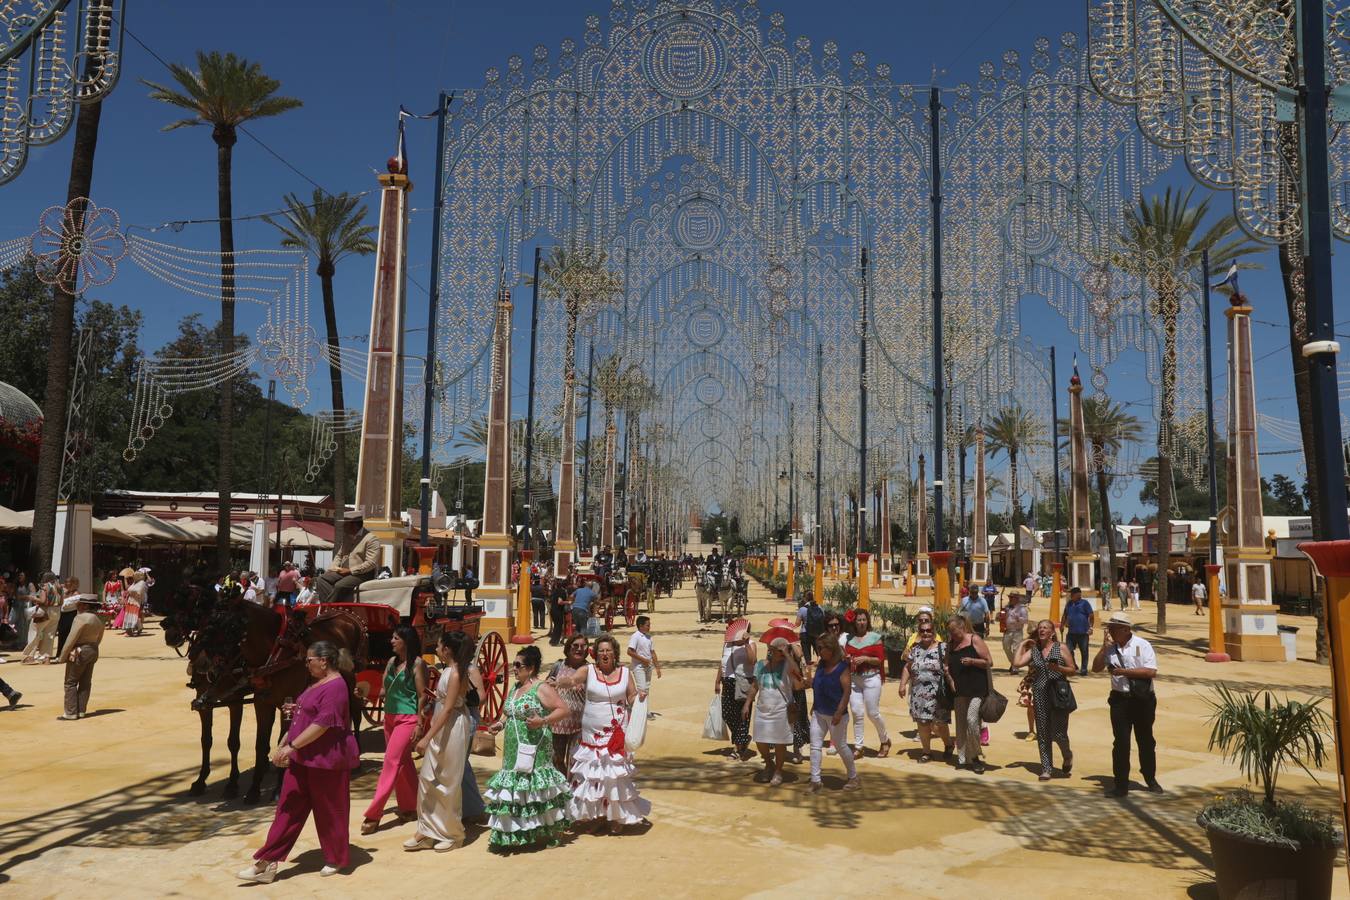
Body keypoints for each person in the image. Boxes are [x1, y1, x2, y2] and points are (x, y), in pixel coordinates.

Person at [238, 641, 356, 882]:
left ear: (324, 661)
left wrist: (291, 747)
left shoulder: (336, 686)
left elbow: (322, 724)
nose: (307, 664)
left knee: (330, 811)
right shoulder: (318, 682)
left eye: (309, 660)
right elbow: (310, 714)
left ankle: (335, 857)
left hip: (326, 760)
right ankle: (267, 862)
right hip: (303, 758)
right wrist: (293, 720)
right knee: (287, 809)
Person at [483, 645, 571, 851]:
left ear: (530, 668)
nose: (514, 669)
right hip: (513, 749)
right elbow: (509, 714)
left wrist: (543, 720)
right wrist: (500, 724)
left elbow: (563, 709)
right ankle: (516, 832)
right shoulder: (515, 688)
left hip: (535, 747)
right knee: (516, 790)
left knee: (537, 790)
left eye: (518, 665)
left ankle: (551, 830)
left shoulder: (540, 688)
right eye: (514, 665)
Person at [561, 633, 651, 832]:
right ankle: (593, 816)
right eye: (601, 650)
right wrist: (558, 683)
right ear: (595, 654)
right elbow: (572, 680)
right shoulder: (588, 670)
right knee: (592, 776)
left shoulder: (625, 673)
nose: (604, 653)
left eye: (608, 650)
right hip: (591, 733)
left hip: (616, 731)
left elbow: (631, 696)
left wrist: (640, 697)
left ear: (615, 653)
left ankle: (614, 817)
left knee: (612, 776)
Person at [405, 630, 474, 852]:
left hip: (452, 727)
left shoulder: (455, 673)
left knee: (447, 781)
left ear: (447, 649)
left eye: (439, 645)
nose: (436, 648)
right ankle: (426, 830)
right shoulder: (448, 671)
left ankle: (453, 834)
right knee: (427, 778)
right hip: (441, 723)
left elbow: (447, 711)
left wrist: (426, 737)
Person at [362, 626, 428, 834]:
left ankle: (374, 813)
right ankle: (413, 806)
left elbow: (423, 695)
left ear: (406, 641)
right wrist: (363, 690)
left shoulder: (418, 664)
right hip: (389, 718)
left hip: (408, 719)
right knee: (403, 763)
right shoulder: (391, 663)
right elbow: (383, 690)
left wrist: (419, 724)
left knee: (391, 761)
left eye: (396, 638)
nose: (391, 641)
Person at [1091, 612, 1161, 796]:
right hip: (1119, 700)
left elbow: (1150, 671)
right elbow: (1096, 668)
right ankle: (1120, 784)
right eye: (1109, 628)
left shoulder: (1142, 645)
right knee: (1121, 743)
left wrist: (1124, 672)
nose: (1110, 632)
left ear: (1125, 629)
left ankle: (1150, 778)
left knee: (1145, 740)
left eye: (1113, 628)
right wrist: (1103, 649)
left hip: (1142, 700)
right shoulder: (1110, 648)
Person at [1014, 619, 1076, 781]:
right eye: (1040, 628)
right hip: (1040, 693)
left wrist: (1059, 668)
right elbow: (1017, 663)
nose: (1042, 630)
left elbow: (1072, 670)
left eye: (1046, 628)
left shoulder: (1060, 647)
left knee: (1059, 733)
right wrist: (1022, 644)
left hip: (1058, 693)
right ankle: (1046, 768)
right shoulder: (1034, 650)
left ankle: (1067, 755)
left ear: (1052, 632)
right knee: (1043, 732)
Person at [744, 636, 803, 786]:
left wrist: (788, 654)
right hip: (763, 709)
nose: (780, 653)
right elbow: (755, 686)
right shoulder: (761, 665)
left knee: (779, 743)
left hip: (781, 710)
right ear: (770, 650)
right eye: (778, 650)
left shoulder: (788, 665)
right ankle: (769, 764)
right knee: (760, 740)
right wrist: (747, 703)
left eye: (783, 650)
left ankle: (778, 770)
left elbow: (797, 672)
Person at [808, 632, 859, 792]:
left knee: (841, 746)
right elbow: (816, 685)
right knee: (815, 746)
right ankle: (815, 780)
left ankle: (853, 777)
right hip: (819, 711)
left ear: (830, 648)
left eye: (821, 648)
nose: (819, 651)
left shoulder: (842, 668)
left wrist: (839, 712)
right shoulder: (822, 665)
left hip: (836, 714)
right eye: (818, 648)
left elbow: (846, 692)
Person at [898, 618, 953, 763]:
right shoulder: (914, 650)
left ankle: (948, 744)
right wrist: (902, 684)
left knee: (939, 724)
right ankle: (926, 752)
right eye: (922, 631)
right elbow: (907, 667)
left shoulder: (943, 648)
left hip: (938, 694)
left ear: (934, 632)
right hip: (919, 693)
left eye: (929, 630)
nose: (926, 633)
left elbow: (950, 666)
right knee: (922, 724)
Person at [944, 615, 992, 773]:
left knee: (972, 721)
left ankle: (976, 756)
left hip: (977, 689)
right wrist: (950, 680)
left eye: (954, 631)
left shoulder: (974, 639)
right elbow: (946, 667)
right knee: (961, 725)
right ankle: (963, 757)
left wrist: (972, 661)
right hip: (959, 690)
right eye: (950, 632)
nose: (952, 634)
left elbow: (989, 662)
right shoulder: (950, 645)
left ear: (962, 627)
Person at [844, 608, 890, 757]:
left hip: (871, 678)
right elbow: (846, 656)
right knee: (857, 712)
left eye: (864, 620)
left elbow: (880, 660)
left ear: (868, 621)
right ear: (854, 622)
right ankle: (858, 746)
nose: (862, 623)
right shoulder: (849, 639)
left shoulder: (875, 637)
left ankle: (884, 740)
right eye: (859, 620)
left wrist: (866, 659)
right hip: (854, 679)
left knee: (872, 713)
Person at [55, 596, 105, 720]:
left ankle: (71, 712)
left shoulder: (81, 618)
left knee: (70, 682)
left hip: (80, 651)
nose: (78, 606)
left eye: (80, 604)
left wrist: (62, 656)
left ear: (86, 606)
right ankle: (81, 710)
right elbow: (99, 639)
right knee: (85, 682)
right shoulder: (98, 619)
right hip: (93, 649)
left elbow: (71, 638)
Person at [546, 633, 589, 774]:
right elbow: (546, 687)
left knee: (575, 761)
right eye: (575, 646)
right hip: (557, 724)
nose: (579, 649)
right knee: (556, 759)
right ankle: (563, 787)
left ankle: (572, 791)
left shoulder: (590, 670)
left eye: (583, 646)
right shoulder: (558, 666)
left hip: (580, 725)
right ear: (568, 648)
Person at [314, 515, 381, 603]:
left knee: (339, 585)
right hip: (344, 572)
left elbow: (371, 563)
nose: (343, 527)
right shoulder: (347, 537)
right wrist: (333, 567)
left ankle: (329, 607)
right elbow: (339, 555)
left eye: (345, 524)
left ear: (353, 525)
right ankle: (332, 606)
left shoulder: (371, 539)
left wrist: (350, 570)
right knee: (321, 579)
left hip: (362, 574)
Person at [715, 628, 756, 758]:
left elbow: (752, 661)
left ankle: (738, 748)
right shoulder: (727, 644)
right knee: (727, 714)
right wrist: (717, 681)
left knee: (742, 715)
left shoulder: (751, 643)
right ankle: (742, 739)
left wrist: (746, 643)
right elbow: (722, 663)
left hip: (742, 683)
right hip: (727, 682)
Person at [22, 572, 60, 664]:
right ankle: (46, 657)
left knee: (35, 633)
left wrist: (32, 598)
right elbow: (61, 601)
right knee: (49, 635)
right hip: (56, 611)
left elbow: (43, 600)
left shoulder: (45, 587)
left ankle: (30, 656)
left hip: (44, 612)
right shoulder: (59, 587)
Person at [626, 615, 661, 708]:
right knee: (642, 689)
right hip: (638, 667)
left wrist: (657, 667)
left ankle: (645, 710)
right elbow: (629, 651)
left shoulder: (649, 637)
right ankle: (639, 709)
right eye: (647, 625)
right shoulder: (635, 636)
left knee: (646, 689)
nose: (649, 627)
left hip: (648, 666)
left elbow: (652, 652)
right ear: (641, 626)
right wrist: (643, 660)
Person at [1058, 586, 1095, 676]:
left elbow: (1091, 615)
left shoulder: (1085, 603)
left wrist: (1091, 627)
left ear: (1078, 594)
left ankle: (1084, 669)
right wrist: (1062, 625)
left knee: (1084, 651)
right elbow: (1064, 615)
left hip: (1083, 632)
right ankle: (1073, 665)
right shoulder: (1069, 604)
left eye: (1072, 594)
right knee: (1068, 651)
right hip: (1071, 633)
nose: (1070, 595)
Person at [1001, 593, 1029, 674]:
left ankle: (1015, 667)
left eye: (1012, 597)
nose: (1010, 599)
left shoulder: (1022, 609)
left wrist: (1018, 618)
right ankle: (1014, 663)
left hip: (1017, 631)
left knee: (1016, 649)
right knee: (1006, 647)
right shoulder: (1007, 607)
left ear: (1017, 599)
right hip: (1008, 630)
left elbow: (1026, 620)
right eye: (1010, 597)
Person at [796, 590, 825, 665]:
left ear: (804, 598)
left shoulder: (802, 609)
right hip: (816, 633)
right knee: (819, 651)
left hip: (805, 633)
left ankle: (809, 669)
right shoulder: (819, 607)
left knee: (807, 655)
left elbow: (797, 623)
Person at [123, 572, 146, 637]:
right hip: (130, 601)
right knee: (129, 616)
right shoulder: (134, 583)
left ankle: (138, 628)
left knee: (134, 616)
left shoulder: (142, 583)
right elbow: (128, 589)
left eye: (135, 575)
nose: (133, 576)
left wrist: (131, 591)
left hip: (136, 601)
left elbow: (139, 592)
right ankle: (129, 631)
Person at [548, 576, 569, 645]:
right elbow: (560, 602)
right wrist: (568, 602)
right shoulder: (562, 591)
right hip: (558, 611)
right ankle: (555, 642)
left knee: (556, 626)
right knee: (558, 627)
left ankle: (552, 641)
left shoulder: (555, 591)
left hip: (553, 610)